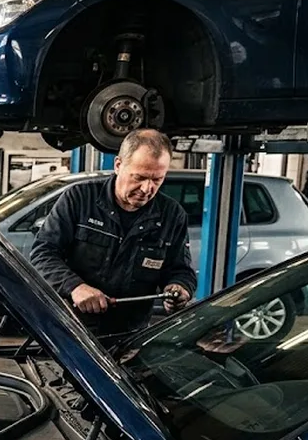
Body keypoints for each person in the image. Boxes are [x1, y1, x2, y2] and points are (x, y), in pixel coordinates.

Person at [29, 128, 197, 338]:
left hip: (129, 336)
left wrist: (180, 287)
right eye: (140, 177)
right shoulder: (79, 199)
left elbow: (181, 269)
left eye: (157, 180)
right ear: (118, 165)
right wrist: (76, 287)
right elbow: (43, 254)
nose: (147, 188)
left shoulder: (172, 215)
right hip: (70, 330)